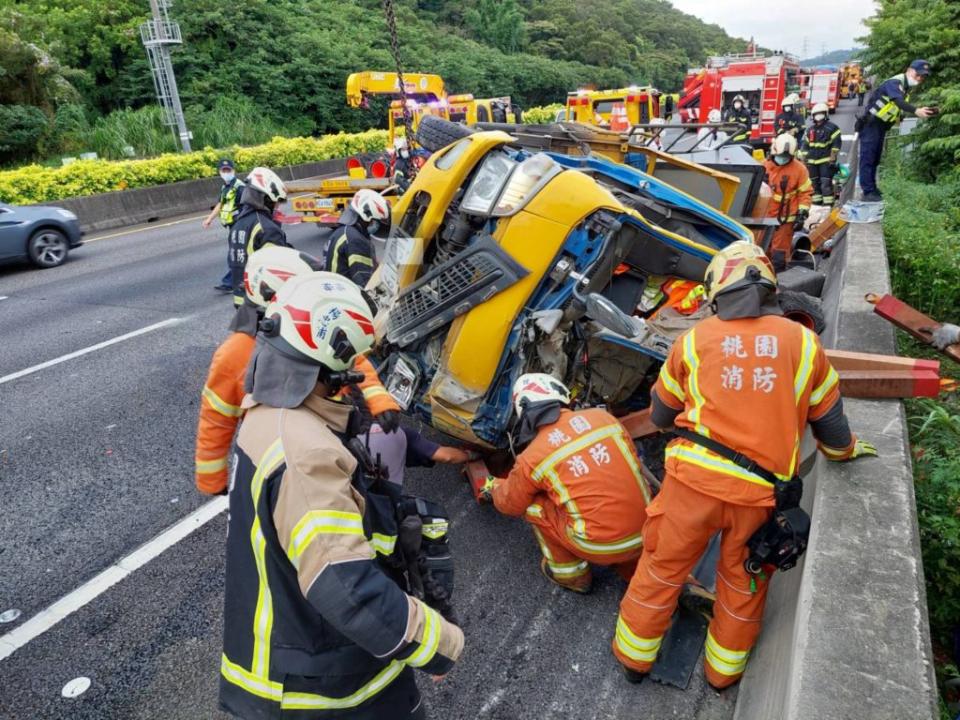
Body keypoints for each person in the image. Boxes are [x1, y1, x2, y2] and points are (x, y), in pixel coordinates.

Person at [613, 241, 877, 689]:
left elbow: (660, 415)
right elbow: (830, 422)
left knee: (660, 570)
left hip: (691, 487)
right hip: (761, 499)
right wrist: (846, 451)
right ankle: (722, 675)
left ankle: (634, 662)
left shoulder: (694, 341)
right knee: (744, 585)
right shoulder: (805, 343)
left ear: (718, 290)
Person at [220, 272, 463, 719]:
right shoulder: (305, 453)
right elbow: (346, 588)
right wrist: (442, 643)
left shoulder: (270, 415)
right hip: (322, 685)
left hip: (285, 653)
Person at [194, 246, 402, 495]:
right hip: (282, 454)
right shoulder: (235, 354)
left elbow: (352, 360)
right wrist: (212, 481)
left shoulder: (306, 330)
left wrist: (379, 401)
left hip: (333, 434)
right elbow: (217, 419)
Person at [488, 373, 652, 594]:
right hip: (649, 529)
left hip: (601, 547)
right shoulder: (603, 418)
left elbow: (510, 504)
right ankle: (633, 567)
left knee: (533, 505)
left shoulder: (533, 456)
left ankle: (573, 576)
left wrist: (495, 487)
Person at [858, 59, 936, 202]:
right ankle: (867, 191)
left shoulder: (905, 87)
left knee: (875, 158)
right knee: (868, 158)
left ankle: (873, 189)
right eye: (918, 75)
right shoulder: (895, 83)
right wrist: (916, 111)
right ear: (909, 70)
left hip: (880, 125)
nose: (920, 78)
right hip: (871, 124)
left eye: (923, 76)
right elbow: (897, 101)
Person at [227, 166, 290, 308]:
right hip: (261, 302)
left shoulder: (239, 223)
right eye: (276, 201)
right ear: (266, 199)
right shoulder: (266, 228)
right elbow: (280, 266)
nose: (277, 206)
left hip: (241, 299)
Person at [762, 133, 813, 270]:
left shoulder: (799, 169)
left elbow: (805, 192)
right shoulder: (763, 167)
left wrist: (802, 211)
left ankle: (778, 280)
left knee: (779, 254)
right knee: (761, 251)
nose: (783, 160)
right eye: (781, 156)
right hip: (763, 219)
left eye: (786, 157)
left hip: (785, 219)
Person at [324, 188, 390, 288]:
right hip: (346, 294)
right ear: (366, 216)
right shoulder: (355, 240)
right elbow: (365, 282)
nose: (376, 225)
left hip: (334, 287)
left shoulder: (343, 231)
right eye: (375, 221)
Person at [203, 159, 246, 292]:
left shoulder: (239, 186)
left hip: (239, 225)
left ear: (233, 171)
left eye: (228, 170)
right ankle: (236, 281)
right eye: (224, 170)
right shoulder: (225, 187)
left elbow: (246, 206)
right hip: (232, 226)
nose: (226, 173)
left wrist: (243, 224)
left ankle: (230, 283)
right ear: (220, 172)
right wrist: (209, 218)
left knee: (234, 254)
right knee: (238, 254)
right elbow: (221, 204)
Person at [800, 103, 842, 206]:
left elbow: (836, 144)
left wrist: (833, 157)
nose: (818, 116)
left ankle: (828, 204)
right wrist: (803, 159)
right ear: (812, 116)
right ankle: (816, 204)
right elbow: (805, 146)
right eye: (816, 114)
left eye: (821, 114)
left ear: (825, 114)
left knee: (825, 184)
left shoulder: (832, 128)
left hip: (825, 161)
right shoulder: (810, 130)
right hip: (811, 162)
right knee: (813, 184)